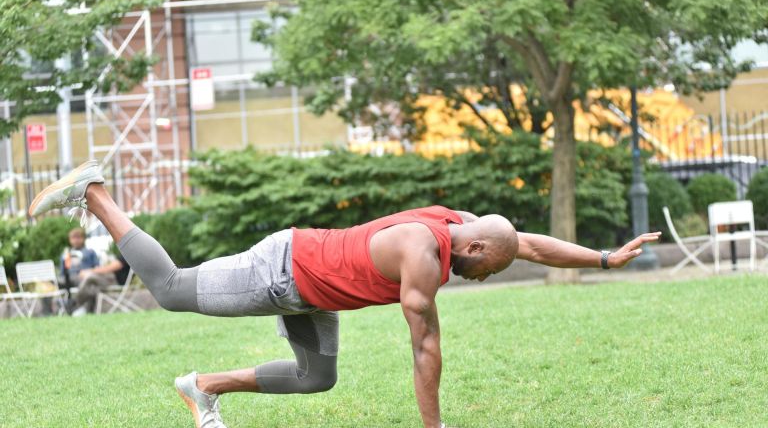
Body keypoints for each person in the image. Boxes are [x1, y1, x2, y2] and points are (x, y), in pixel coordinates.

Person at [29, 161, 660, 428]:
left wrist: (604, 257)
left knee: (317, 377)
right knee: (170, 289)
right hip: (282, 269)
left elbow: (527, 244)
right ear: (469, 248)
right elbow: (425, 349)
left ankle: (204, 388)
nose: (485, 277)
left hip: (312, 291)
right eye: (486, 271)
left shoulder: (459, 225)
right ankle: (95, 193)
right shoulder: (422, 258)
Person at [50, 227, 99, 315]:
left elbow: (97, 268)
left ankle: (76, 305)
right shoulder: (66, 254)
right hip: (67, 279)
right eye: (73, 238)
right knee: (50, 283)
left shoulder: (90, 252)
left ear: (83, 239)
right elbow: (62, 271)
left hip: (83, 279)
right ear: (70, 240)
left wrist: (88, 272)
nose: (76, 240)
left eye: (78, 237)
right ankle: (51, 310)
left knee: (90, 284)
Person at [70, 251, 131, 317]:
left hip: (115, 281)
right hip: (110, 279)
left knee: (89, 278)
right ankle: (86, 309)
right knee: (92, 287)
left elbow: (110, 268)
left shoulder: (127, 252)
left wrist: (90, 271)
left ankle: (73, 304)